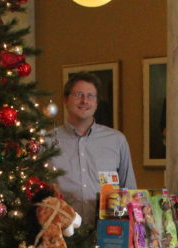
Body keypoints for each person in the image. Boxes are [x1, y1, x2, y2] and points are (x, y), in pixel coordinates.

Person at [47, 72, 136, 226]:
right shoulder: (47, 142)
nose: (84, 101)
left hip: (109, 233)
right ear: (65, 100)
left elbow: (129, 192)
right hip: (62, 233)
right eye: (78, 95)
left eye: (91, 96)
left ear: (96, 103)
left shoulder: (116, 140)